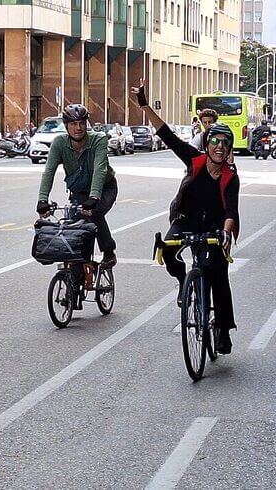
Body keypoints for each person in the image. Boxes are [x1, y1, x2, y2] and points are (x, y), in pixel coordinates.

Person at [131, 79, 239, 354]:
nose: (219, 147)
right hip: (185, 217)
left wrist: (226, 233)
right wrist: (144, 106)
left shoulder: (230, 177)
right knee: (168, 251)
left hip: (215, 226)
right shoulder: (194, 160)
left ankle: (224, 330)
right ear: (206, 144)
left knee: (218, 274)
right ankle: (183, 282)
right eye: (214, 141)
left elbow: (231, 210)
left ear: (228, 151)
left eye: (224, 144)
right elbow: (167, 134)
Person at [36, 104, 118, 267]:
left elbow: (100, 169)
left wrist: (94, 197)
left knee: (93, 213)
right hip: (79, 191)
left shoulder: (98, 139)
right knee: (72, 224)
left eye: (81, 123)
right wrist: (42, 200)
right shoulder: (59, 143)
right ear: (66, 126)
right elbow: (49, 171)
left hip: (104, 188)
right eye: (73, 124)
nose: (78, 128)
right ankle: (79, 264)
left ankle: (109, 252)